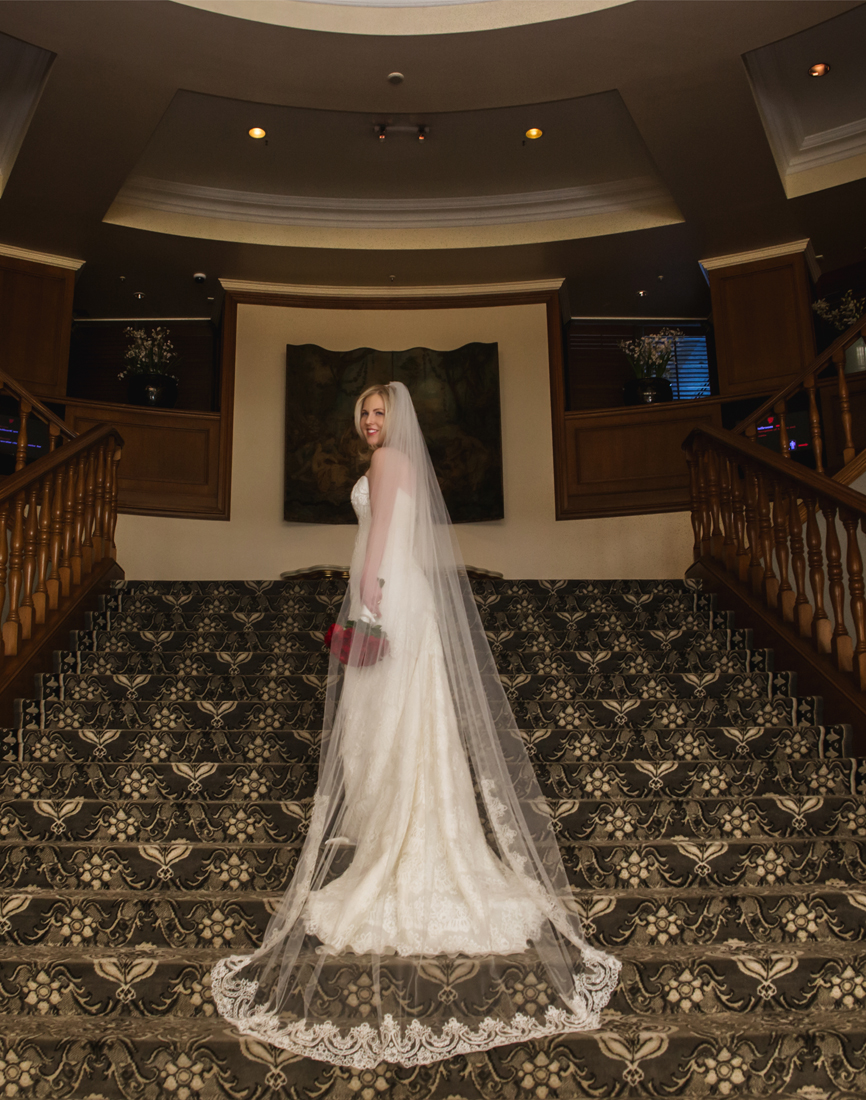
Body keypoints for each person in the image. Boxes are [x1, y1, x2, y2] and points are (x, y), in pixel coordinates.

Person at [211, 381, 620, 1069]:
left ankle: (398, 843)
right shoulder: (397, 462)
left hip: (389, 596)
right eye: (364, 413)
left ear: (395, 418)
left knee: (386, 722)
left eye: (380, 413)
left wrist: (367, 598)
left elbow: (378, 541)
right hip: (405, 596)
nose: (371, 422)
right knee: (399, 722)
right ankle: (405, 834)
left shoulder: (384, 462)